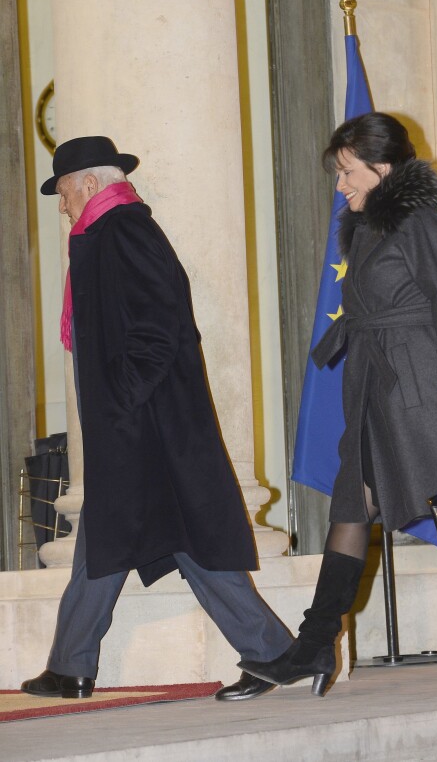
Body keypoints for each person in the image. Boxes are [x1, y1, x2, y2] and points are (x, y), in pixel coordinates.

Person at [239, 112, 437, 699]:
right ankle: (315, 642)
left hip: (426, 383)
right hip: (379, 384)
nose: (340, 185)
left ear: (382, 167)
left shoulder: (422, 223)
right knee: (351, 503)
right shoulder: (372, 227)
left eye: (348, 172)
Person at [21, 136, 293, 702]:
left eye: (65, 192)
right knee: (121, 537)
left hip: (148, 426)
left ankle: (272, 652)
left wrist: (123, 396)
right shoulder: (105, 234)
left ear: (90, 184)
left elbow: (158, 322)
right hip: (135, 427)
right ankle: (72, 664)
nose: (63, 205)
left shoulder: (124, 231)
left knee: (172, 535)